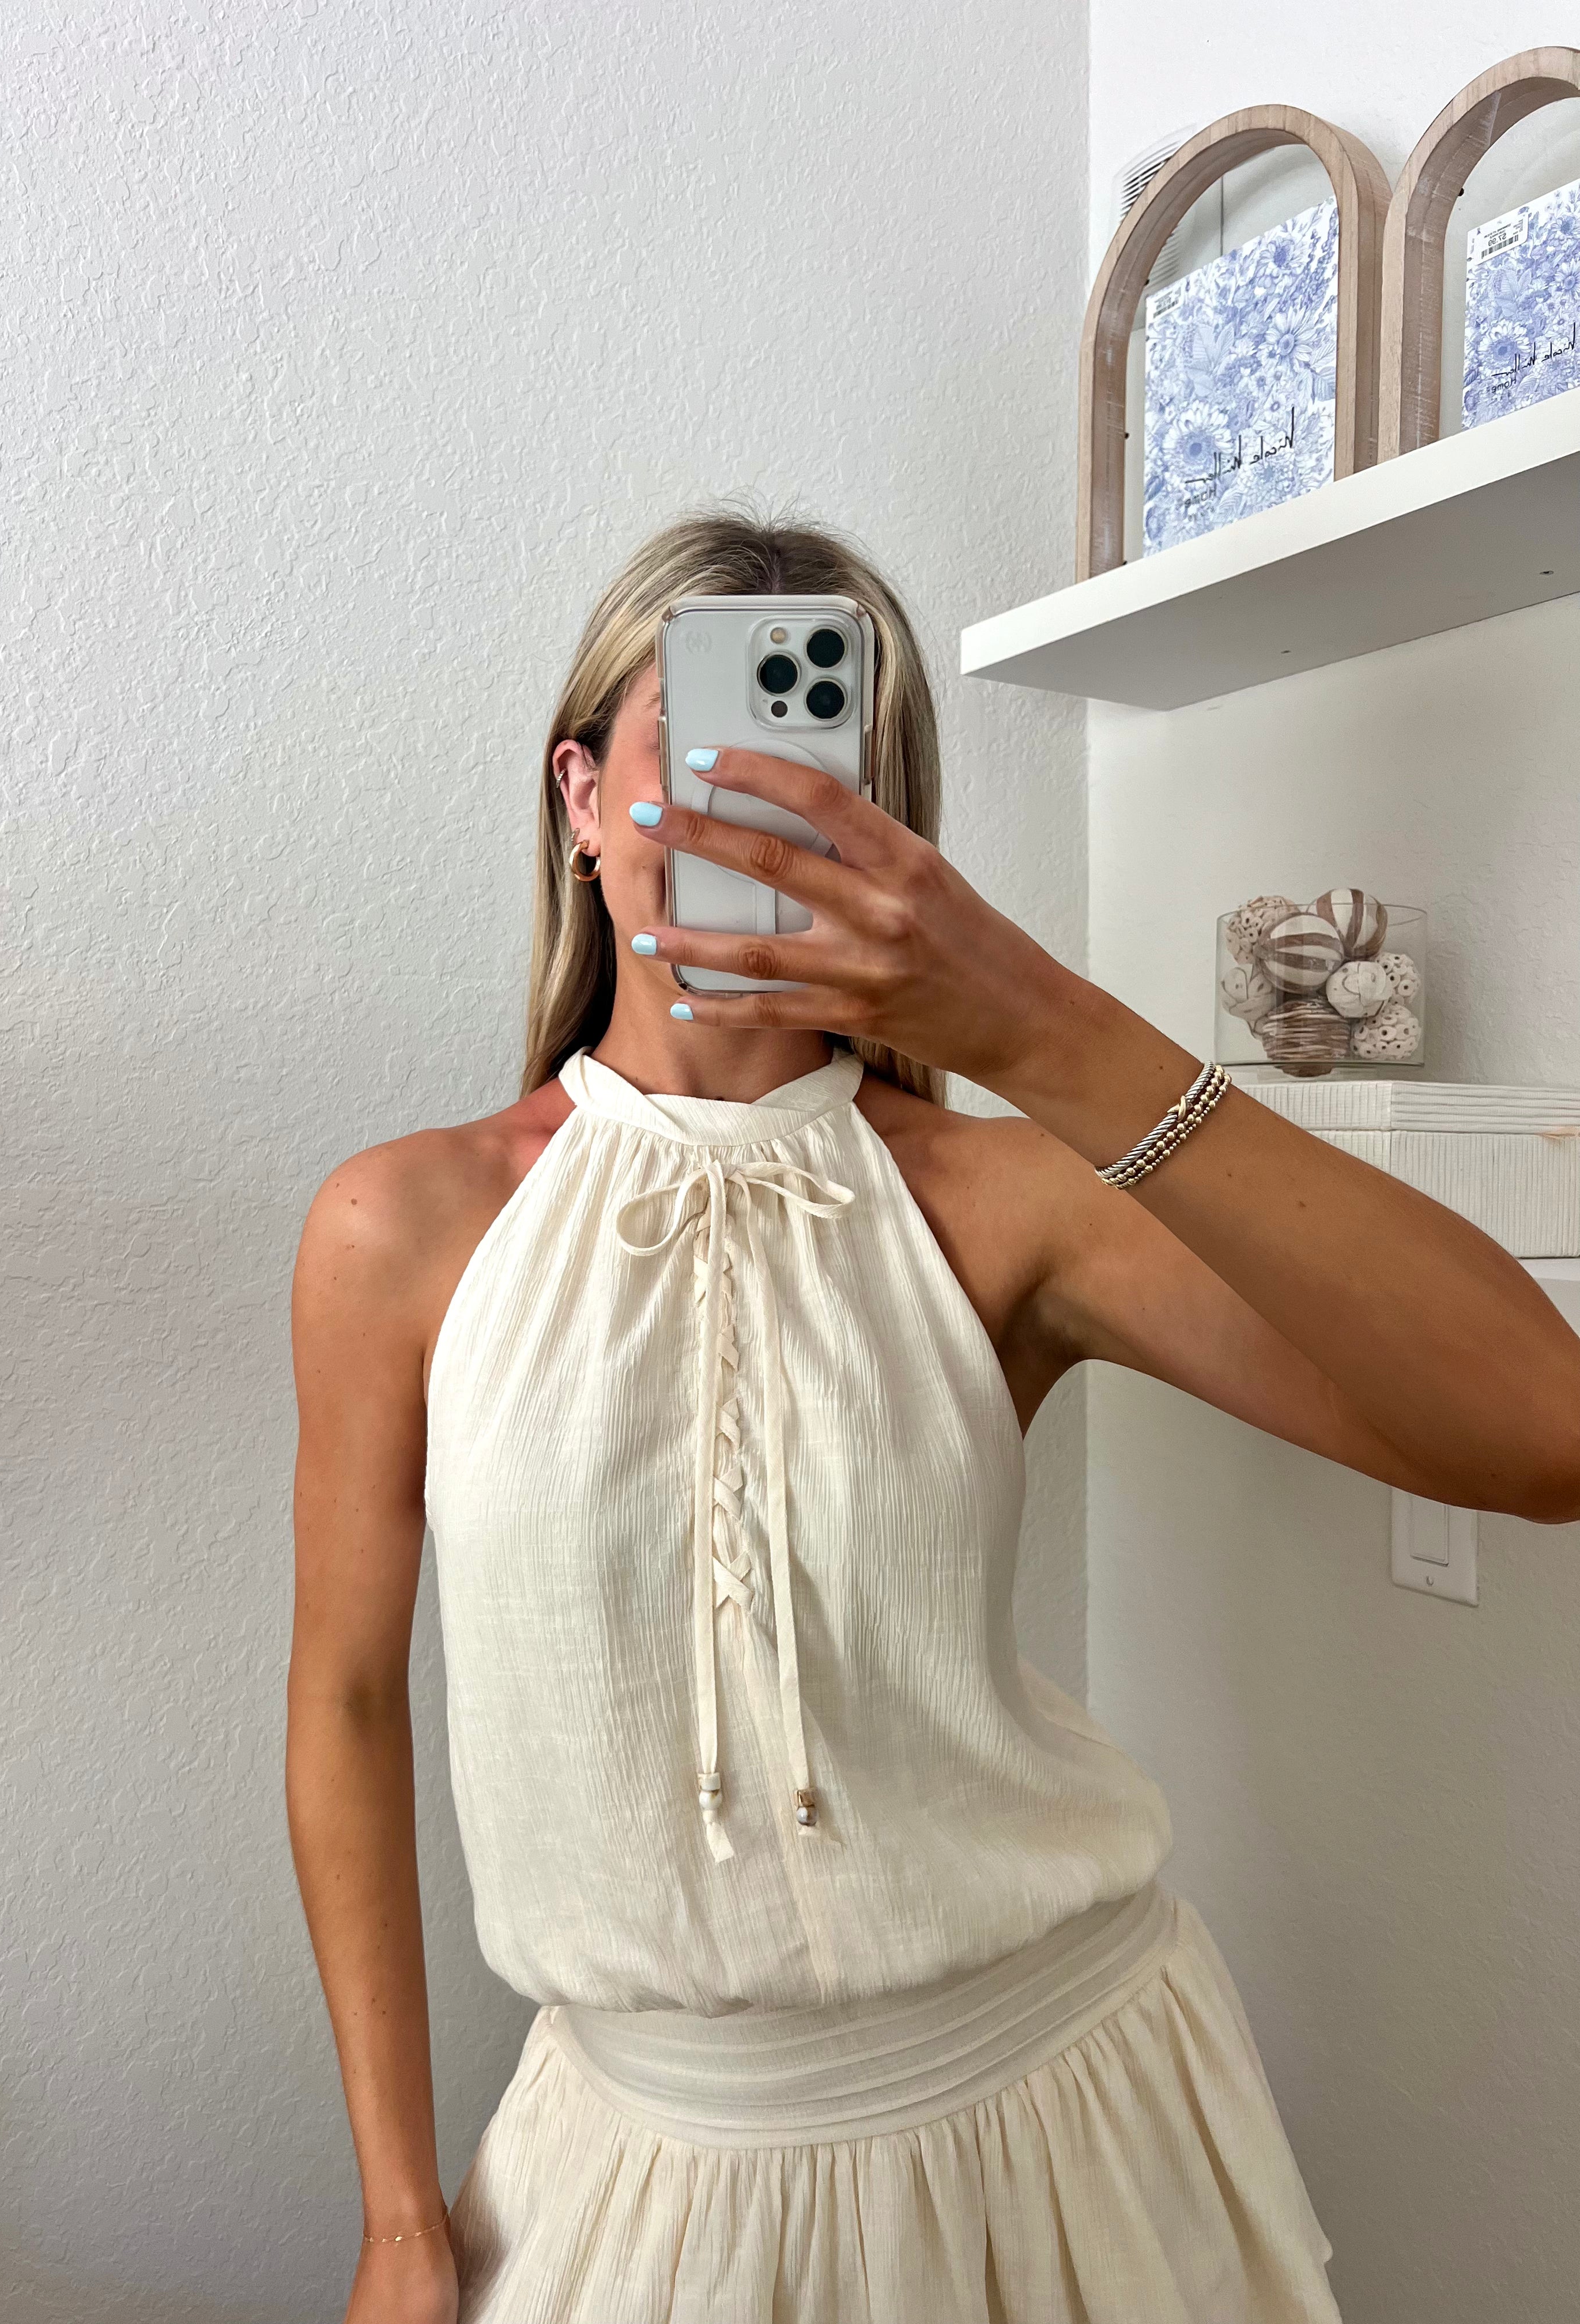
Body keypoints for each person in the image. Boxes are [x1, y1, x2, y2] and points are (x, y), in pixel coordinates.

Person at [285, 511, 1580, 2324]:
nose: (776, 823)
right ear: (580, 799)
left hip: (1069, 2140)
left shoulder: (1000, 1201)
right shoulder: (400, 1232)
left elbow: (1546, 1432)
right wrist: (402, 2215)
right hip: (643, 2166)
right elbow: (345, 1704)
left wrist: (1038, 1020)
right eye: (708, 756)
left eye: (834, 783)